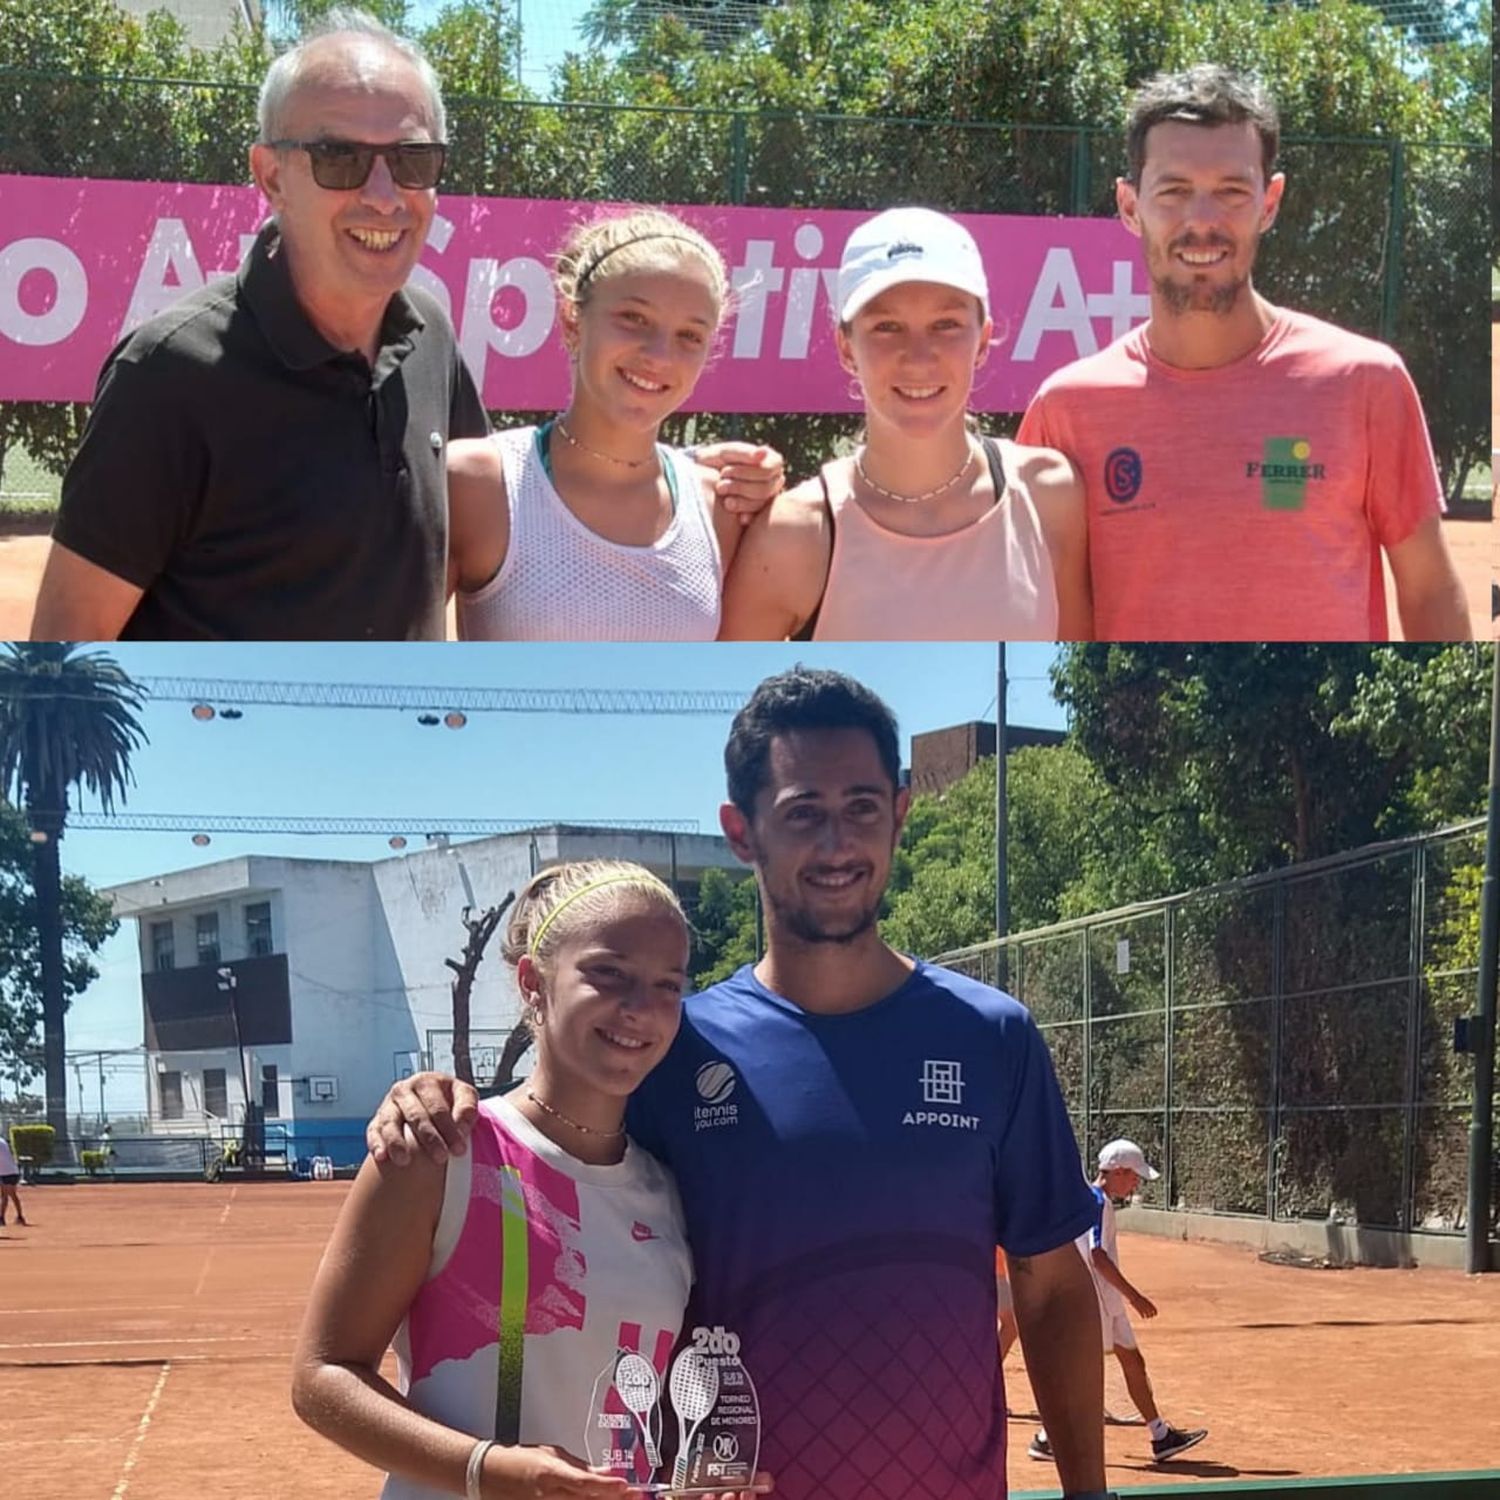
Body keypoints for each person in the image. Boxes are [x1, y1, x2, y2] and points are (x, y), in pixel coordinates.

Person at [370, 667, 1116, 1500]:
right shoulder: (670, 1050)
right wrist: (431, 1097)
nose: (837, 844)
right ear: (741, 830)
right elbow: (554, 1139)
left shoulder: (993, 1038)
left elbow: (1051, 1287)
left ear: (901, 812)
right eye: (803, 813)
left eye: (862, 807)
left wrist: (1088, 1493)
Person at [294, 860, 708, 1500]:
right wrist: (485, 1470)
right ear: (533, 981)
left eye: (667, 985)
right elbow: (323, 1377)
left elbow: (641, 1416)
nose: (640, 1010)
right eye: (608, 973)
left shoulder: (670, 1192)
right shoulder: (439, 1150)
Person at [1017, 64, 1470, 643]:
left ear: (1270, 202)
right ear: (1130, 206)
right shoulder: (1064, 410)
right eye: (1174, 191)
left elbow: (1429, 589)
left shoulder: (1365, 381)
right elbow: (1043, 613)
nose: (1202, 222)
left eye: (1231, 192)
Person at [717, 208, 1090, 641]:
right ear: (846, 348)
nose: (918, 356)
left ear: (983, 340)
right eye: (887, 327)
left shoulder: (1051, 493)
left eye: (946, 325)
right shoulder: (793, 534)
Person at [448, 209, 784, 640]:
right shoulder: (477, 484)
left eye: (689, 336)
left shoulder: (722, 505)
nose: (660, 355)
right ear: (572, 320)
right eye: (633, 318)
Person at [1028, 1141, 1207, 1468]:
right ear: (1118, 1172)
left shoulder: (1093, 1200)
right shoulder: (1096, 1202)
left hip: (1105, 1302)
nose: (1136, 1183)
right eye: (1134, 1176)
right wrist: (1134, 1295)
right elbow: (1097, 1256)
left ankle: (1160, 1435)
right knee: (1081, 1377)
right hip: (1095, 1303)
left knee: (1132, 1362)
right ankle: (1046, 1437)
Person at [0, 1130, 27, 1227]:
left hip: (9, 1172)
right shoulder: (2, 1141)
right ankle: (5, 1218)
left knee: (8, 1195)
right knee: (7, 1195)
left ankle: (16, 1217)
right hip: (8, 1171)